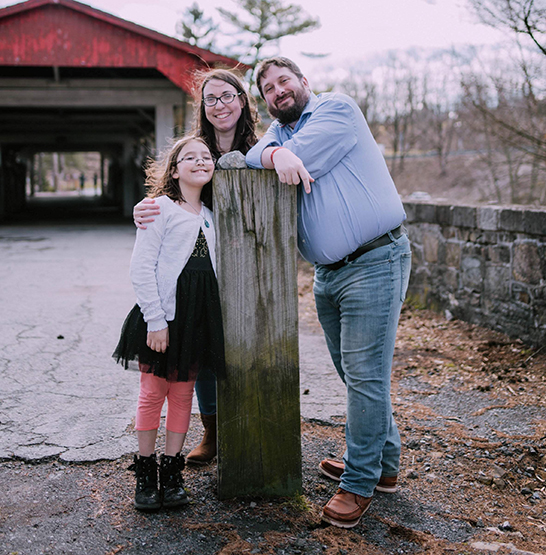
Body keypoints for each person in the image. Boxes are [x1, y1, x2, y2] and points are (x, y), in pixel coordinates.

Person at [245, 57, 412, 529]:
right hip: (328, 273)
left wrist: (280, 156)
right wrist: (275, 154)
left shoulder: (336, 110)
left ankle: (358, 483)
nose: (278, 91)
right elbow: (244, 159)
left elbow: (306, 161)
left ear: (304, 82)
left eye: (284, 81)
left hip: (374, 261)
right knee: (355, 374)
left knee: (365, 376)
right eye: (268, 88)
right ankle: (385, 466)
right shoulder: (279, 138)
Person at [132, 69, 258, 465]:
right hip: (189, 274)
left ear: (242, 99)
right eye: (210, 99)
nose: (219, 105)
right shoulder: (199, 151)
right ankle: (212, 430)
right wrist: (146, 206)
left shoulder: (260, 146)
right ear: (202, 108)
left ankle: (246, 427)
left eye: (227, 96)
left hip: (246, 256)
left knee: (234, 350)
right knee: (188, 364)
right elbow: (166, 213)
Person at [113, 136, 226, 510]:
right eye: (188, 157)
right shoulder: (159, 208)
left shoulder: (213, 215)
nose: (200, 161)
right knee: (152, 395)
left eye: (206, 156)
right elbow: (141, 266)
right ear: (174, 170)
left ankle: (172, 472)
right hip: (163, 316)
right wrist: (156, 320)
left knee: (182, 396)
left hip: (197, 318)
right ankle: (145, 474)